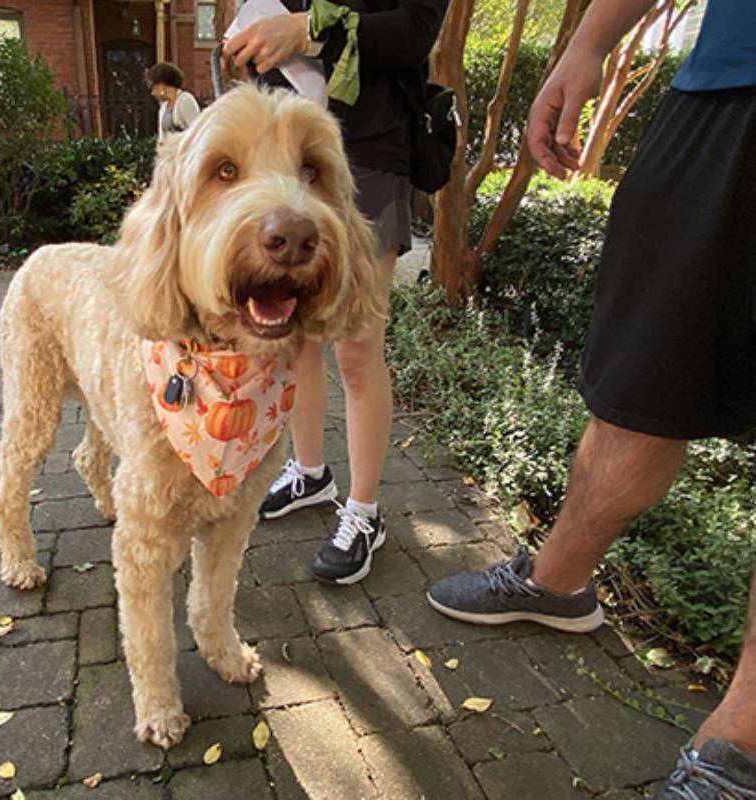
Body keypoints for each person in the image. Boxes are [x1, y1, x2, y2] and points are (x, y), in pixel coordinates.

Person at [426, 1, 756, 797]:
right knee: (637, 381)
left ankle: (740, 744)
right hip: (719, 89)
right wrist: (587, 40)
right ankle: (557, 580)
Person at [224, 0, 448, 585]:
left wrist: (302, 29)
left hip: (367, 153)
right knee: (293, 336)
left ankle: (365, 511)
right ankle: (310, 472)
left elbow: (416, 31)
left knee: (355, 347)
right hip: (287, 150)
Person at [145, 62, 200, 139]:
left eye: (154, 87)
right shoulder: (163, 107)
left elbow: (197, 131)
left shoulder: (185, 100)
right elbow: (162, 138)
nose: (153, 93)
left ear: (162, 84)